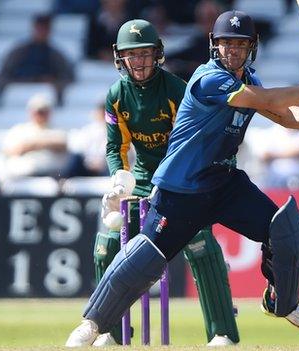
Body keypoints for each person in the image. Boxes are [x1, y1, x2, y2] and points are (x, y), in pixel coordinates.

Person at [65, 10, 299, 346]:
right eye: (225, 44)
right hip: (182, 188)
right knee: (143, 259)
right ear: (214, 46)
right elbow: (262, 100)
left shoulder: (250, 79)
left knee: (286, 231)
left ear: (252, 48)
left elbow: (286, 116)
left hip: (224, 182)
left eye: (240, 44)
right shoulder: (209, 79)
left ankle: (281, 301)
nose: (232, 50)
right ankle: (93, 324)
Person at [68, 19, 240, 347]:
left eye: (145, 54)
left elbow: (193, 142)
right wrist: (120, 176)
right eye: (133, 56)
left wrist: (173, 180)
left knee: (200, 244)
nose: (140, 62)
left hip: (187, 177)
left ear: (157, 54)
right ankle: (112, 333)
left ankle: (221, 332)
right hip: (145, 181)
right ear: (121, 58)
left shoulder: (177, 90)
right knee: (107, 246)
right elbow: (114, 146)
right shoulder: (117, 95)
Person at [0, 14, 75, 94]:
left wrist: (52, 83)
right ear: (34, 28)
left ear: (50, 30)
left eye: (45, 29)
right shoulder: (18, 53)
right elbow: (2, 78)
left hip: (46, 97)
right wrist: (26, 82)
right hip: (18, 94)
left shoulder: (57, 56)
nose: (42, 32)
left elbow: (68, 79)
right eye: (39, 28)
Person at [3, 94, 70, 178]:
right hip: (24, 173)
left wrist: (34, 144)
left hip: (51, 173)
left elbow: (62, 145)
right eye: (38, 111)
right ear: (31, 112)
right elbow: (10, 151)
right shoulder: (19, 129)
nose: (40, 114)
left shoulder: (57, 129)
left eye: (44, 111)